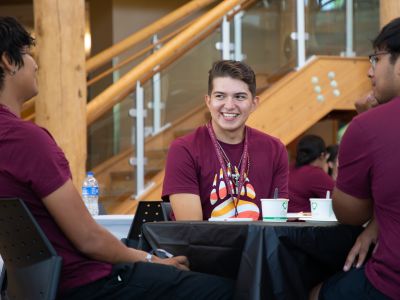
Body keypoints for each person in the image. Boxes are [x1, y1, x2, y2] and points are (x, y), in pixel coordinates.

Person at [0, 17, 234, 300]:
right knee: (229, 289)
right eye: (27, 54)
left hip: (40, 288)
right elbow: (89, 240)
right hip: (88, 285)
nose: (35, 64)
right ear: (8, 61)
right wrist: (152, 260)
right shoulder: (26, 140)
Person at [313, 17, 400, 300]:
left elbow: (350, 213)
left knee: (311, 291)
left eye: (376, 59)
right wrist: (377, 224)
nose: (369, 73)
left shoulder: (369, 126)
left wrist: (364, 121)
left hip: (392, 283)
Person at [162, 60, 289, 220]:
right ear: (208, 102)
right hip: (203, 245)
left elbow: (276, 222)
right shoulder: (184, 149)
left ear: (254, 103)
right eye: (220, 96)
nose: (229, 105)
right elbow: (191, 230)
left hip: (258, 244)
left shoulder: (274, 149)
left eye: (240, 97)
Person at [288, 135, 334, 213]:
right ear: (322, 155)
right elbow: (341, 199)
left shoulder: (289, 168)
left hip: (284, 222)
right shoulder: (314, 173)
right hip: (304, 223)